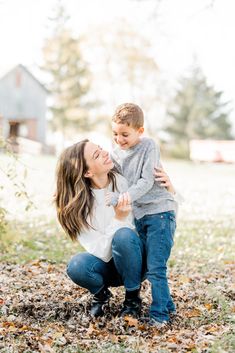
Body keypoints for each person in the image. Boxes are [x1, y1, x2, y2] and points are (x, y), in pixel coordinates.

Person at [55, 139, 143, 318]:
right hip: (106, 267)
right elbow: (100, 253)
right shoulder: (78, 207)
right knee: (77, 265)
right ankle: (101, 294)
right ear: (87, 172)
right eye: (97, 154)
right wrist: (118, 218)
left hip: (137, 261)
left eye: (100, 148)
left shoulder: (125, 182)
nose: (104, 153)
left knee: (124, 236)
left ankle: (132, 300)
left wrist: (170, 187)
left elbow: (154, 215)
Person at [109, 103, 178, 328]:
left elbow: (147, 181)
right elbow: (118, 185)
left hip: (160, 214)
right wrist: (113, 198)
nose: (119, 139)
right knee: (150, 268)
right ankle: (168, 306)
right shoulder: (116, 153)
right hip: (141, 216)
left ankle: (159, 316)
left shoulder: (149, 146)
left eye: (125, 134)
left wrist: (125, 196)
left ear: (140, 131)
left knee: (157, 268)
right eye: (115, 134)